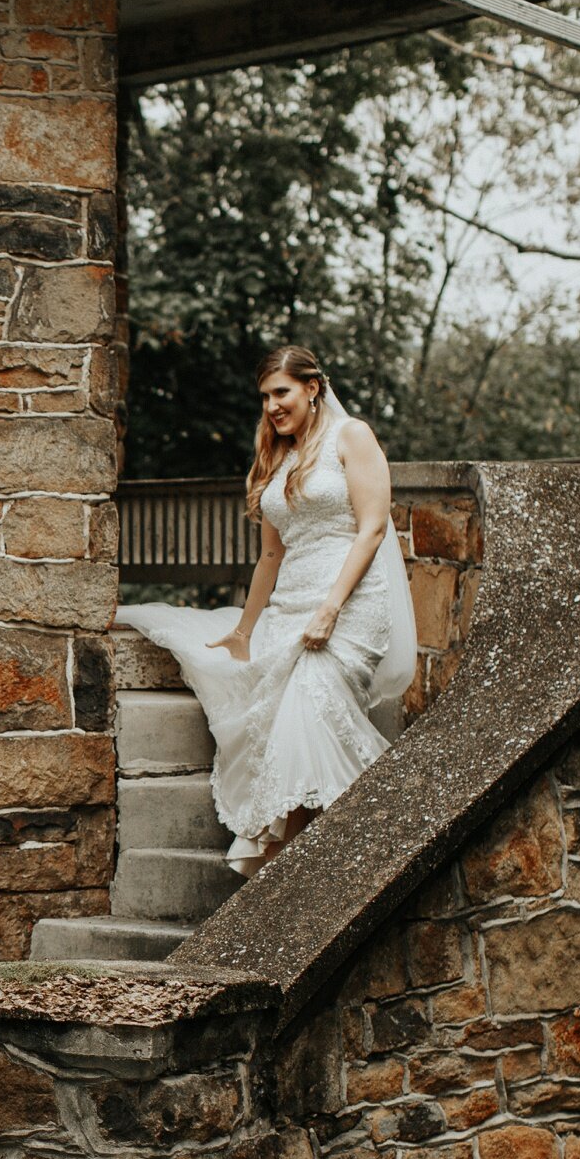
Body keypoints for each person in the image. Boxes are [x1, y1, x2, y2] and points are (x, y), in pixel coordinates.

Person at [117, 344, 417, 874]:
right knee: (288, 711)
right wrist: (245, 629)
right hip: (290, 601)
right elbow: (271, 556)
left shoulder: (353, 437)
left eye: (281, 392)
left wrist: (329, 609)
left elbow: (372, 528)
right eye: (265, 397)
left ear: (312, 388)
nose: (272, 406)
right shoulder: (277, 458)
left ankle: (292, 858)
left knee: (309, 694)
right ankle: (294, 864)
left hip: (350, 603)